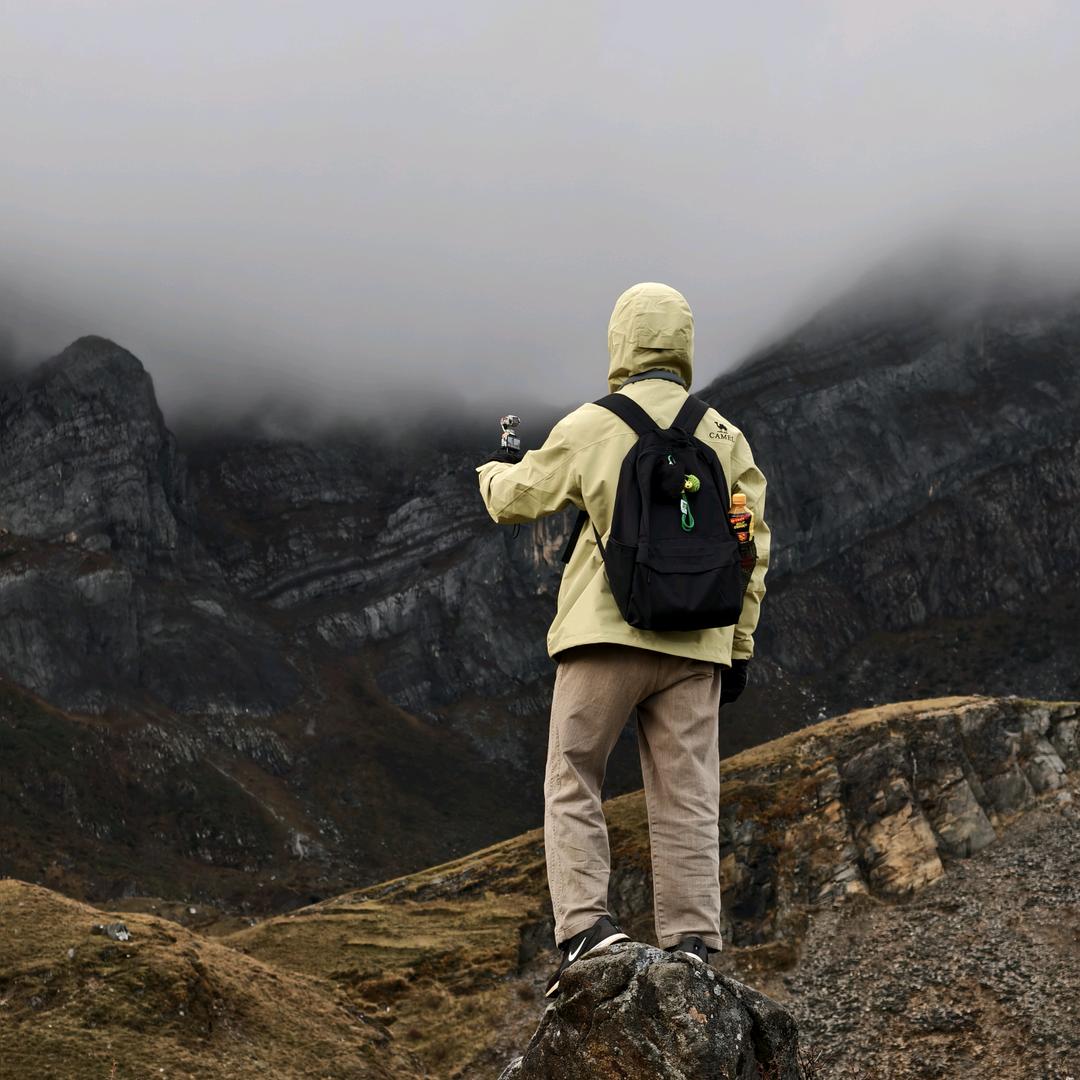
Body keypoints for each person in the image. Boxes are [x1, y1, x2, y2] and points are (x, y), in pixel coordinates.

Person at [475, 282, 770, 998]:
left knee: (574, 773)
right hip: (697, 642)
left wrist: (494, 468)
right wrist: (737, 647)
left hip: (603, 636)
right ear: (684, 342)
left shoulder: (594, 424)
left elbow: (516, 500)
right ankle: (692, 943)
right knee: (688, 792)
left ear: (621, 341)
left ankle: (587, 928)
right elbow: (753, 548)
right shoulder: (724, 437)